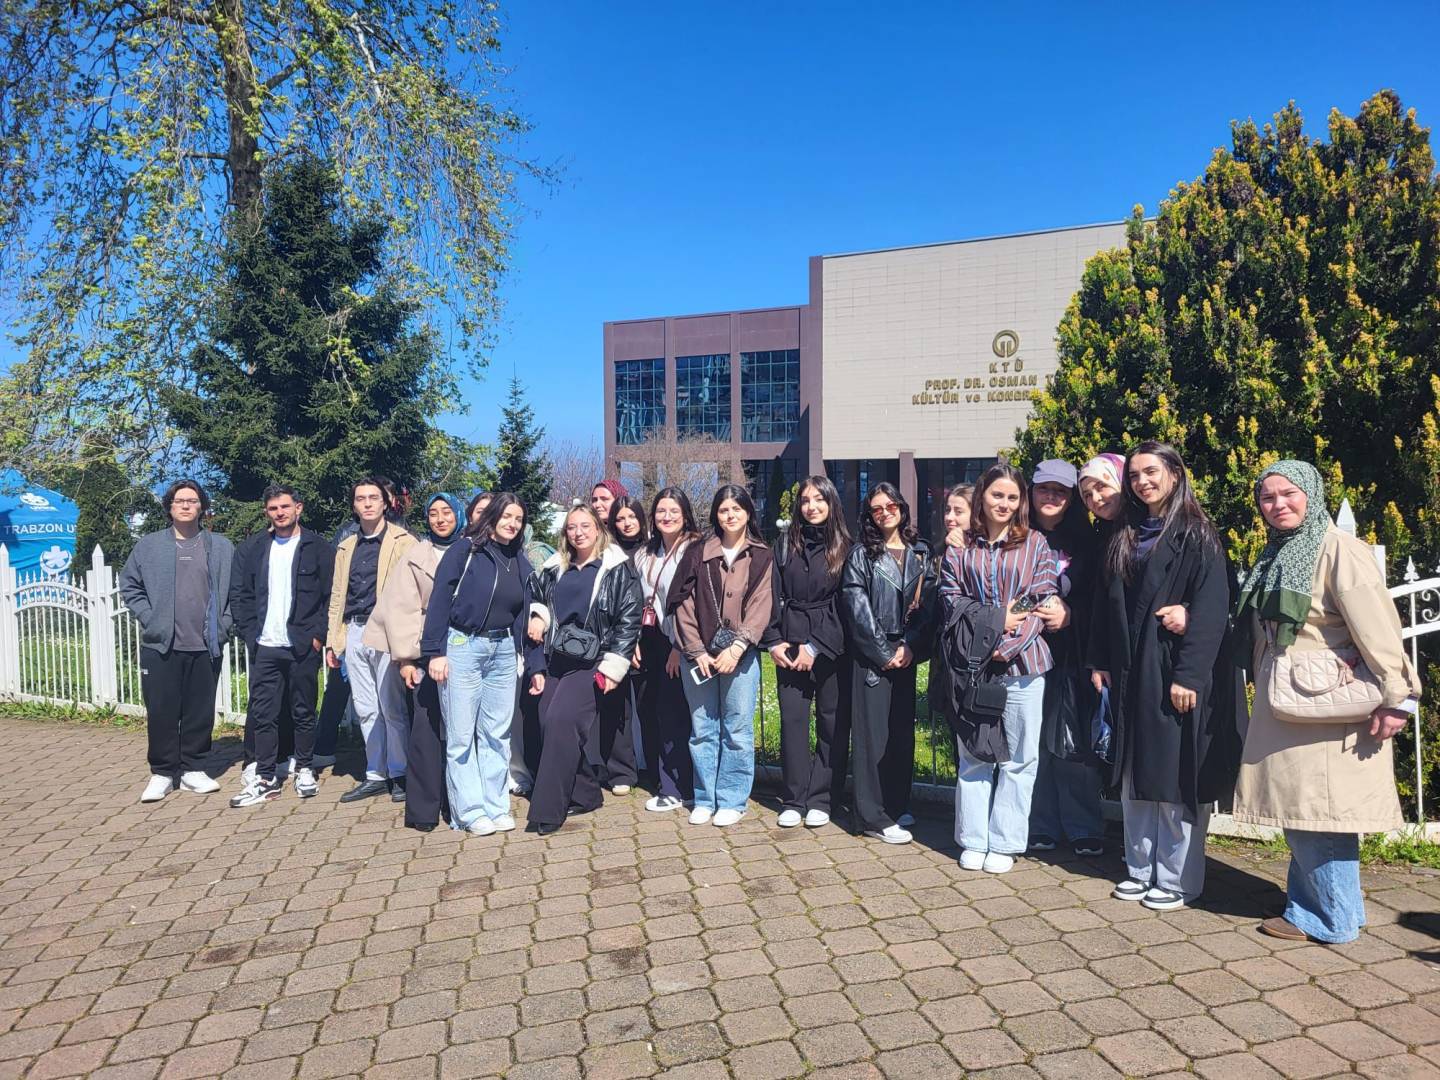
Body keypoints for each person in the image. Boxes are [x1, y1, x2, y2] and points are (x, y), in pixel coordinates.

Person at [1232, 461, 1419, 943]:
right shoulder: (1283, 549)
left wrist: (1397, 697)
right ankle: (1333, 909)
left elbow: (1378, 627)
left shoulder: (1339, 549)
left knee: (1321, 815)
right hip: (1295, 701)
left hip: (1326, 702)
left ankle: (1325, 918)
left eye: (1289, 494)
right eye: (1268, 497)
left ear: (1312, 495)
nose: (1278, 505)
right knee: (1308, 813)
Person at [1090, 441, 1244, 911]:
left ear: (1175, 474)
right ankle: (1140, 868)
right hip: (1129, 670)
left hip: (1172, 670)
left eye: (1151, 472)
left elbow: (1214, 608)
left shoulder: (1199, 535)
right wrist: (1099, 660)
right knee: (1135, 771)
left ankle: (1178, 878)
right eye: (1135, 475)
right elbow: (1105, 603)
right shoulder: (1125, 533)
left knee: (1176, 776)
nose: (1142, 482)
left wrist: (1189, 676)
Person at [943, 464, 1057, 871]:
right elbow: (951, 599)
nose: (1004, 504)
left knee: (1020, 758)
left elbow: (1039, 599)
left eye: (1012, 497)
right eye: (997, 495)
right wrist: (991, 629)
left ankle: (1006, 842)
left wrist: (1004, 644)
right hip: (974, 666)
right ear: (982, 496)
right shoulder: (962, 545)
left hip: (1024, 665)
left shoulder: (1036, 543)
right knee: (974, 753)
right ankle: (973, 838)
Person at [525, 505, 642, 834]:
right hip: (558, 658)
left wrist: (613, 668)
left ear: (598, 528)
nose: (578, 533)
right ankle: (587, 792)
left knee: (562, 721)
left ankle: (547, 811)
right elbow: (538, 600)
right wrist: (539, 617)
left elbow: (628, 621)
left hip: (594, 660)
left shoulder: (618, 568)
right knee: (546, 721)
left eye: (585, 526)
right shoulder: (553, 568)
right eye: (572, 527)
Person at [424, 493, 534, 835]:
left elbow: (528, 603)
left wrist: (528, 646)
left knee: (496, 733)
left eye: (518, 519)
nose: (512, 524)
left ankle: (496, 806)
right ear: (493, 516)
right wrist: (435, 651)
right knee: (461, 735)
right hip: (463, 646)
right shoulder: (465, 550)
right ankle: (469, 812)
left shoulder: (519, 558)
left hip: (503, 649)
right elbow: (440, 598)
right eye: (507, 516)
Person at [120, 479, 235, 803]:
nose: (186, 505)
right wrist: (151, 618)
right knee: (162, 710)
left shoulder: (221, 547)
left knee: (200, 710)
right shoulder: (149, 546)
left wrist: (224, 626)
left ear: (202, 507)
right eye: (179, 501)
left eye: (192, 501)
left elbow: (236, 592)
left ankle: (193, 770)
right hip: (161, 645)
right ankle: (162, 772)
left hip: (206, 644)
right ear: (169, 508)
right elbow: (129, 585)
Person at [669, 485, 774, 827]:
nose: (730, 515)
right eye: (724, 509)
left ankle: (732, 799)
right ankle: (704, 798)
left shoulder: (761, 555)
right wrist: (696, 650)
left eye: (736, 509)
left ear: (748, 512)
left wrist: (738, 646)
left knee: (738, 729)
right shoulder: (698, 552)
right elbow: (682, 603)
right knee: (702, 728)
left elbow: (761, 605)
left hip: (741, 656)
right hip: (698, 656)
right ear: (716, 514)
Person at [839, 482, 935, 845]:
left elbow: (929, 604)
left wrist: (911, 645)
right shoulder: (861, 555)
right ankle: (871, 816)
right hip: (873, 655)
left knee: (900, 734)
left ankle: (895, 804)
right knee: (872, 738)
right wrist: (883, 651)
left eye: (890, 505)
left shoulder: (920, 552)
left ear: (902, 508)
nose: (884, 513)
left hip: (906, 650)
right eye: (876, 508)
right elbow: (856, 607)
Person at [362, 492, 465, 831]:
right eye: (433, 513)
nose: (440, 519)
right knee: (426, 727)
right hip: (425, 650)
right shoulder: (415, 555)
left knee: (463, 730)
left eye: (447, 512)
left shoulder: (474, 550)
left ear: (459, 514)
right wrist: (405, 660)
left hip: (467, 650)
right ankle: (424, 809)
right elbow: (400, 608)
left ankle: (461, 801)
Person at [229, 484, 334, 806]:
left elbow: (330, 597)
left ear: (298, 508)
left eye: (285, 507)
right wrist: (250, 635)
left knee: (303, 710)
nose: (280, 513)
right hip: (265, 645)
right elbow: (241, 595)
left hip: (302, 644)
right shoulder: (254, 549)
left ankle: (304, 768)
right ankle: (265, 775)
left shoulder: (318, 547)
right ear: (267, 512)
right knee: (264, 713)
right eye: (273, 508)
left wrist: (318, 636)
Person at [1023, 461, 1105, 857]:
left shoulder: (1088, 542)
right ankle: (1040, 823)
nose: (1052, 496)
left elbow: (1102, 599)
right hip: (1024, 654)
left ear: (1072, 498)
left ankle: (1083, 825)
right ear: (1032, 491)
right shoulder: (1017, 536)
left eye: (1061, 491)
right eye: (1044, 489)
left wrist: (1072, 615)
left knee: (1074, 742)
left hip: (1072, 654)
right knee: (1032, 739)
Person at [763, 475, 853, 829]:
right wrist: (774, 640)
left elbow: (846, 603)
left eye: (819, 499)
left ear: (831, 503)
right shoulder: (785, 544)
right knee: (793, 722)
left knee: (832, 723)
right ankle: (794, 798)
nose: (811, 506)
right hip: (789, 642)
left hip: (831, 647)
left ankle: (822, 798)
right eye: (805, 500)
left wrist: (815, 647)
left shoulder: (846, 547)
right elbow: (771, 594)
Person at [326, 477, 417, 803]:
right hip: (355, 630)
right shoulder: (346, 546)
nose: (367, 503)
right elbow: (338, 594)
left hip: (387, 632)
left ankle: (400, 772)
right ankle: (376, 772)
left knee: (392, 707)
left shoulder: (404, 542)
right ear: (354, 505)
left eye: (373, 498)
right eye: (360, 498)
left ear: (385, 503)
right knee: (365, 708)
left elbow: (414, 592)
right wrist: (333, 640)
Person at [632, 488, 700, 813]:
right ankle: (666, 781)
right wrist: (633, 640)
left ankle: (679, 788)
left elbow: (695, 601)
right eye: (661, 511)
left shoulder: (695, 549)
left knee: (676, 713)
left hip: (681, 641)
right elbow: (635, 598)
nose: (667, 516)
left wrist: (679, 646)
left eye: (674, 510)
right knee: (657, 711)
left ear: (685, 514)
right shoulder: (646, 552)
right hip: (650, 638)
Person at [596, 495, 648, 794]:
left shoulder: (652, 550)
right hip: (615, 639)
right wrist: (626, 641)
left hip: (648, 640)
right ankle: (621, 772)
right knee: (615, 707)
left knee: (648, 706)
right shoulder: (607, 554)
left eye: (632, 516)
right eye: (620, 518)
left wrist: (638, 636)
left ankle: (652, 768)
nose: (627, 523)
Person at [1079, 453, 1127, 534]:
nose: (1095, 499)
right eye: (1088, 495)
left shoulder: (1147, 530)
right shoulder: (1097, 535)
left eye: (1101, 487)